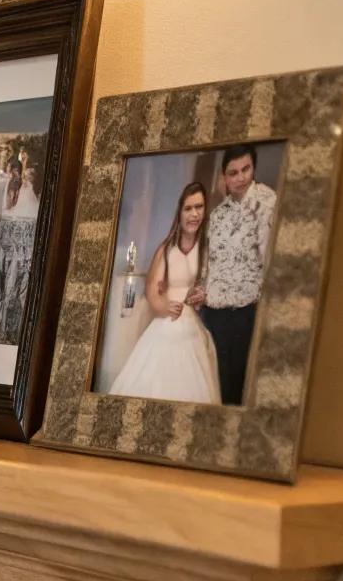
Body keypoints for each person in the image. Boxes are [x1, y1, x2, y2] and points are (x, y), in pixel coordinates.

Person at [109, 182, 220, 403]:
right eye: (188, 208)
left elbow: (211, 283)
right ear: (180, 212)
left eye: (199, 207)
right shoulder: (166, 249)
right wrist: (163, 306)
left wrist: (203, 294)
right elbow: (151, 289)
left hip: (192, 326)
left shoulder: (206, 249)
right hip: (166, 322)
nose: (194, 214)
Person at [200, 144, 277, 405]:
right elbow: (209, 263)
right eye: (233, 173)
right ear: (224, 176)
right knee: (215, 387)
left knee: (239, 391)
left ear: (253, 168)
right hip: (213, 314)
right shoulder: (218, 215)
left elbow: (272, 263)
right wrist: (201, 290)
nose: (241, 177)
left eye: (246, 169)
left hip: (246, 313)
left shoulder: (269, 203)